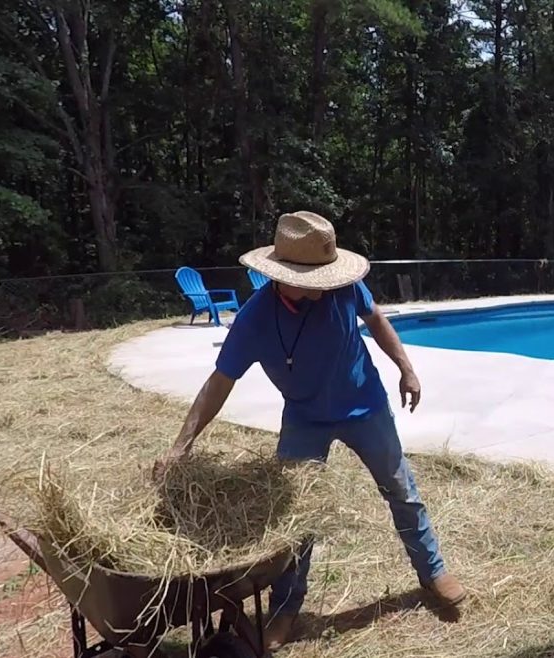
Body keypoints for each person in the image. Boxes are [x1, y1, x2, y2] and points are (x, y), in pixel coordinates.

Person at [154, 210, 466, 650]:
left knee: (402, 490)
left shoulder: (344, 287)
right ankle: (285, 609)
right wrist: (181, 446)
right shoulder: (255, 320)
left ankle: (433, 572)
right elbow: (220, 381)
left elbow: (376, 318)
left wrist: (406, 368)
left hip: (366, 407)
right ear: (286, 277)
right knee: (294, 518)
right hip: (304, 419)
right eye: (315, 278)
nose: (326, 285)